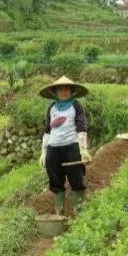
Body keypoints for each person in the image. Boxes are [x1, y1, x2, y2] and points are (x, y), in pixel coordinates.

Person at [39, 76, 92, 216]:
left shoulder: (76, 105)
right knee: (55, 180)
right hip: (53, 148)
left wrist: (83, 150)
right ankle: (59, 213)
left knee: (76, 178)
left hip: (71, 146)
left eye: (66, 89)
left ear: (72, 91)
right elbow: (47, 130)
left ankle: (79, 212)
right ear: (55, 92)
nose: (64, 92)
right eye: (60, 90)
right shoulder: (52, 107)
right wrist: (44, 152)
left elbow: (81, 128)